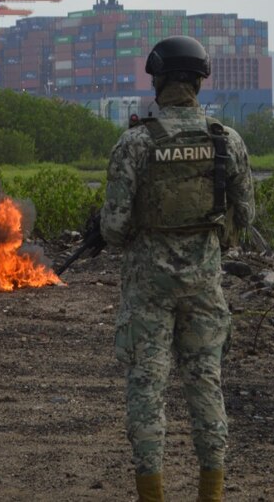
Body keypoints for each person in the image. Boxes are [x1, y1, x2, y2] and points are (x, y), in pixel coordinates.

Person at [101, 36, 255, 502]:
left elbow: (114, 228)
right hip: (205, 285)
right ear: (199, 82)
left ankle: (152, 495)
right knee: (206, 384)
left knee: (147, 389)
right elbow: (244, 217)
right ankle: (212, 494)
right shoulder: (226, 141)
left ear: (159, 80)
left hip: (149, 289)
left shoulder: (134, 143)